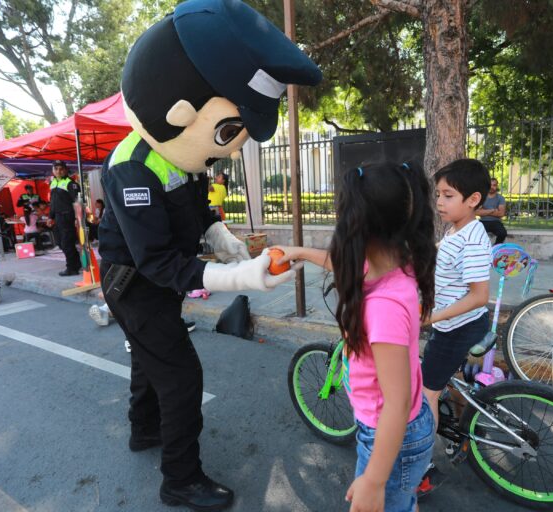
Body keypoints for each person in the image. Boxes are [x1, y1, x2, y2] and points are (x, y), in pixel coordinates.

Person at [97, 1, 320, 509]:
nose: (226, 148)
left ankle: (144, 430)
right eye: (226, 134)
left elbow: (196, 210)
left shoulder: (185, 153)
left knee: (148, 359)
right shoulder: (133, 166)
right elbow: (156, 262)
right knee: (180, 377)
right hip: (135, 283)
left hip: (152, 280)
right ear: (179, 111)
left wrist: (221, 237)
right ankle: (180, 479)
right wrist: (238, 276)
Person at [275, 161, 437, 512]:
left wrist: (375, 480)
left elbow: (397, 401)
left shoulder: (384, 307)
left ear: (357, 224)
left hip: (392, 436)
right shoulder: (396, 260)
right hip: (399, 431)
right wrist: (300, 253)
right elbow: (345, 262)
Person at [417, 159, 492, 497]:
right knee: (455, 382)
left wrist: (430, 318)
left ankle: (419, 465)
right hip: (457, 324)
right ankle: (459, 433)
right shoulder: (455, 228)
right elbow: (444, 254)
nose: (440, 202)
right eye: (438, 195)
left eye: (448, 195)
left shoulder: (474, 238)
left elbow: (479, 296)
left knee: (424, 394)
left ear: (473, 199)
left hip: (456, 329)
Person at [48, 160, 82, 276]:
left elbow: (78, 202)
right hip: (57, 217)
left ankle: (72, 268)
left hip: (68, 217)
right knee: (60, 243)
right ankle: (76, 263)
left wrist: (78, 219)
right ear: (53, 170)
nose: (58, 171)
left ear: (66, 170)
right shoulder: (52, 183)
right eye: (56, 169)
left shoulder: (71, 184)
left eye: (61, 169)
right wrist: (50, 217)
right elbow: (52, 202)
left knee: (67, 243)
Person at [476, 177, 507, 243]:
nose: (492, 187)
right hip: (483, 221)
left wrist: (484, 211)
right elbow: (476, 212)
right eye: (490, 185)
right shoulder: (482, 197)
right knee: (475, 233)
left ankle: (495, 249)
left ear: (497, 186)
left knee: (503, 233)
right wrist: (492, 210)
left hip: (496, 222)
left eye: (494, 185)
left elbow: (501, 214)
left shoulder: (500, 198)